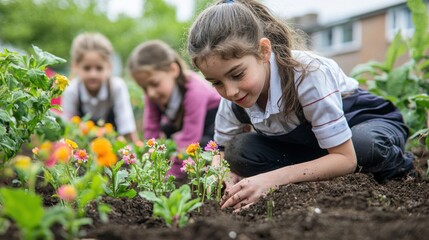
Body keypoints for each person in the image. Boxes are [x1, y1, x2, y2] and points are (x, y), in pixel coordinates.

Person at [187, 0, 415, 210]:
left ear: (264, 51)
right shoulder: (235, 97)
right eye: (216, 82)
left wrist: (272, 179)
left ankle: (399, 168)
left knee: (364, 146)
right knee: (239, 151)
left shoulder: (307, 74)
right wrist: (225, 173)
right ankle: (318, 170)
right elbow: (220, 149)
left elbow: (346, 157)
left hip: (362, 126)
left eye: (237, 74)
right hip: (314, 147)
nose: (230, 91)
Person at [127, 40, 221, 181]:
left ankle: (194, 169)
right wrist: (150, 162)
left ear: (173, 70)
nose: (150, 93)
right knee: (167, 133)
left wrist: (169, 176)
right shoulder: (152, 94)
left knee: (203, 146)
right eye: (144, 88)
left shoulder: (195, 91)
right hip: (187, 125)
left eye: (154, 83)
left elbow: (190, 140)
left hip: (213, 126)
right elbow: (151, 130)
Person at [62, 32, 138, 142]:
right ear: (75, 67)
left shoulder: (116, 87)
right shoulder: (72, 91)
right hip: (82, 147)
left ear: (109, 67)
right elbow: (67, 130)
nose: (93, 74)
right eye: (87, 68)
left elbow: (127, 127)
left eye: (99, 68)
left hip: (114, 144)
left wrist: (136, 154)